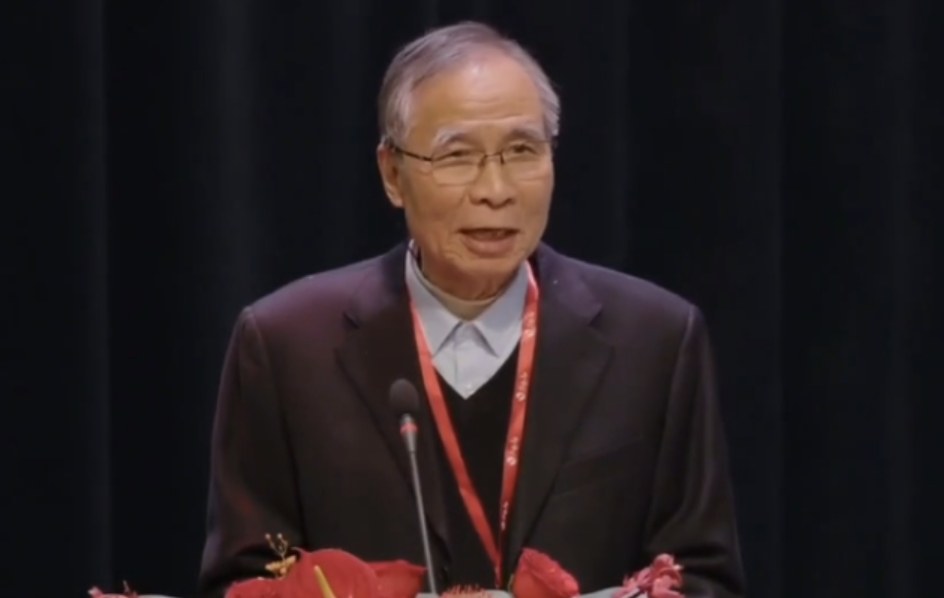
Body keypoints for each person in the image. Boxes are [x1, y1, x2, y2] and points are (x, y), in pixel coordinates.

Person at [198, 21, 745, 598]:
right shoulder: (288, 347)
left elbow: (703, 578)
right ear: (392, 174)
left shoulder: (654, 341)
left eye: (522, 151)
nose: (496, 190)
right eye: (457, 156)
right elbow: (243, 582)